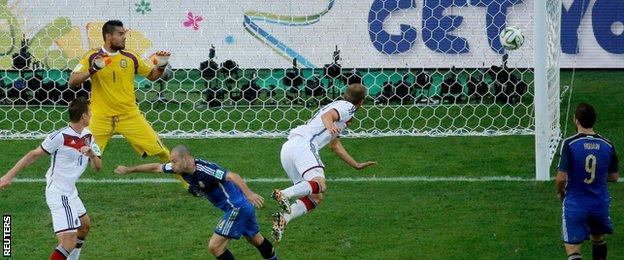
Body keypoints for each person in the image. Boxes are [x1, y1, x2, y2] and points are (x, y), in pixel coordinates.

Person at [67, 20, 190, 192]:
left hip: (129, 116)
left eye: (124, 33)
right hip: (100, 118)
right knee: (78, 154)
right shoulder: (92, 56)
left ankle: (188, 185)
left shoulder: (131, 56)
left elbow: (153, 76)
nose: (124, 37)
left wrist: (161, 65)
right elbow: (73, 81)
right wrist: (93, 69)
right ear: (108, 36)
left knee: (162, 152)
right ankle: (61, 189)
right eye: (120, 34)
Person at [114, 145, 278, 260]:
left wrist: (249, 193)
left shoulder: (205, 169)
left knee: (215, 247)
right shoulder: (180, 168)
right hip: (240, 207)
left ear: (185, 159)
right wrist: (130, 169)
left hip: (238, 207)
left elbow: (232, 176)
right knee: (256, 239)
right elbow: (156, 167)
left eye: (174, 160)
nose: (172, 165)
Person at [270, 83, 377, 241]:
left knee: (316, 196)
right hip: (304, 145)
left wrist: (356, 165)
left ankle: (283, 220)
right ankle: (284, 194)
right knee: (320, 183)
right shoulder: (348, 107)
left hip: (289, 148)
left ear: (344, 94)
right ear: (361, 102)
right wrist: (330, 126)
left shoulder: (342, 110)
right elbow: (327, 117)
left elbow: (335, 145)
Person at [0, 97, 102, 260]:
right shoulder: (59, 137)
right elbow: (33, 155)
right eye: (90, 112)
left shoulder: (89, 136)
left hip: (70, 191)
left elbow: (97, 168)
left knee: (84, 227)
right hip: (59, 192)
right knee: (68, 241)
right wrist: (8, 176)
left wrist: (92, 155)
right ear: (84, 116)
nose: (92, 115)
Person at [556, 103, 619, 260]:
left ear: (576, 120)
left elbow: (561, 177)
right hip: (599, 203)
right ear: (594, 121)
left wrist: (560, 192)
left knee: (573, 250)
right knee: (598, 239)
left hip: (576, 203)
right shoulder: (608, 145)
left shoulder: (569, 143)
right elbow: (614, 177)